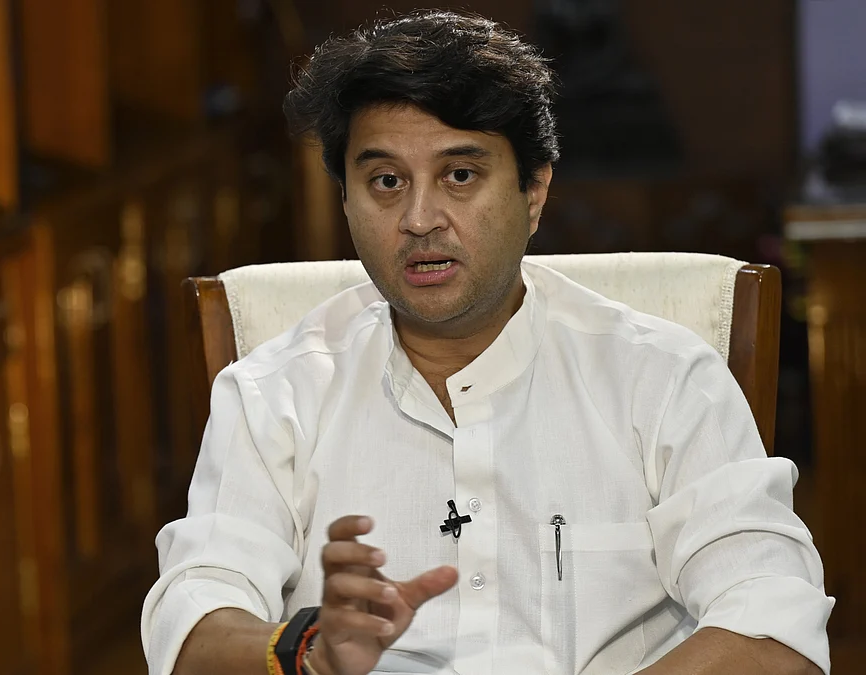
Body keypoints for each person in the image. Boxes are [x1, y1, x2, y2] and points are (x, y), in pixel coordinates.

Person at [142, 10, 832, 675]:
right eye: (385, 181)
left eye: (460, 175)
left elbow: (773, 615)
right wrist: (304, 649)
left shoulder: (663, 376)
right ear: (346, 200)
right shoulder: (276, 391)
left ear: (534, 192)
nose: (418, 219)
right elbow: (194, 617)